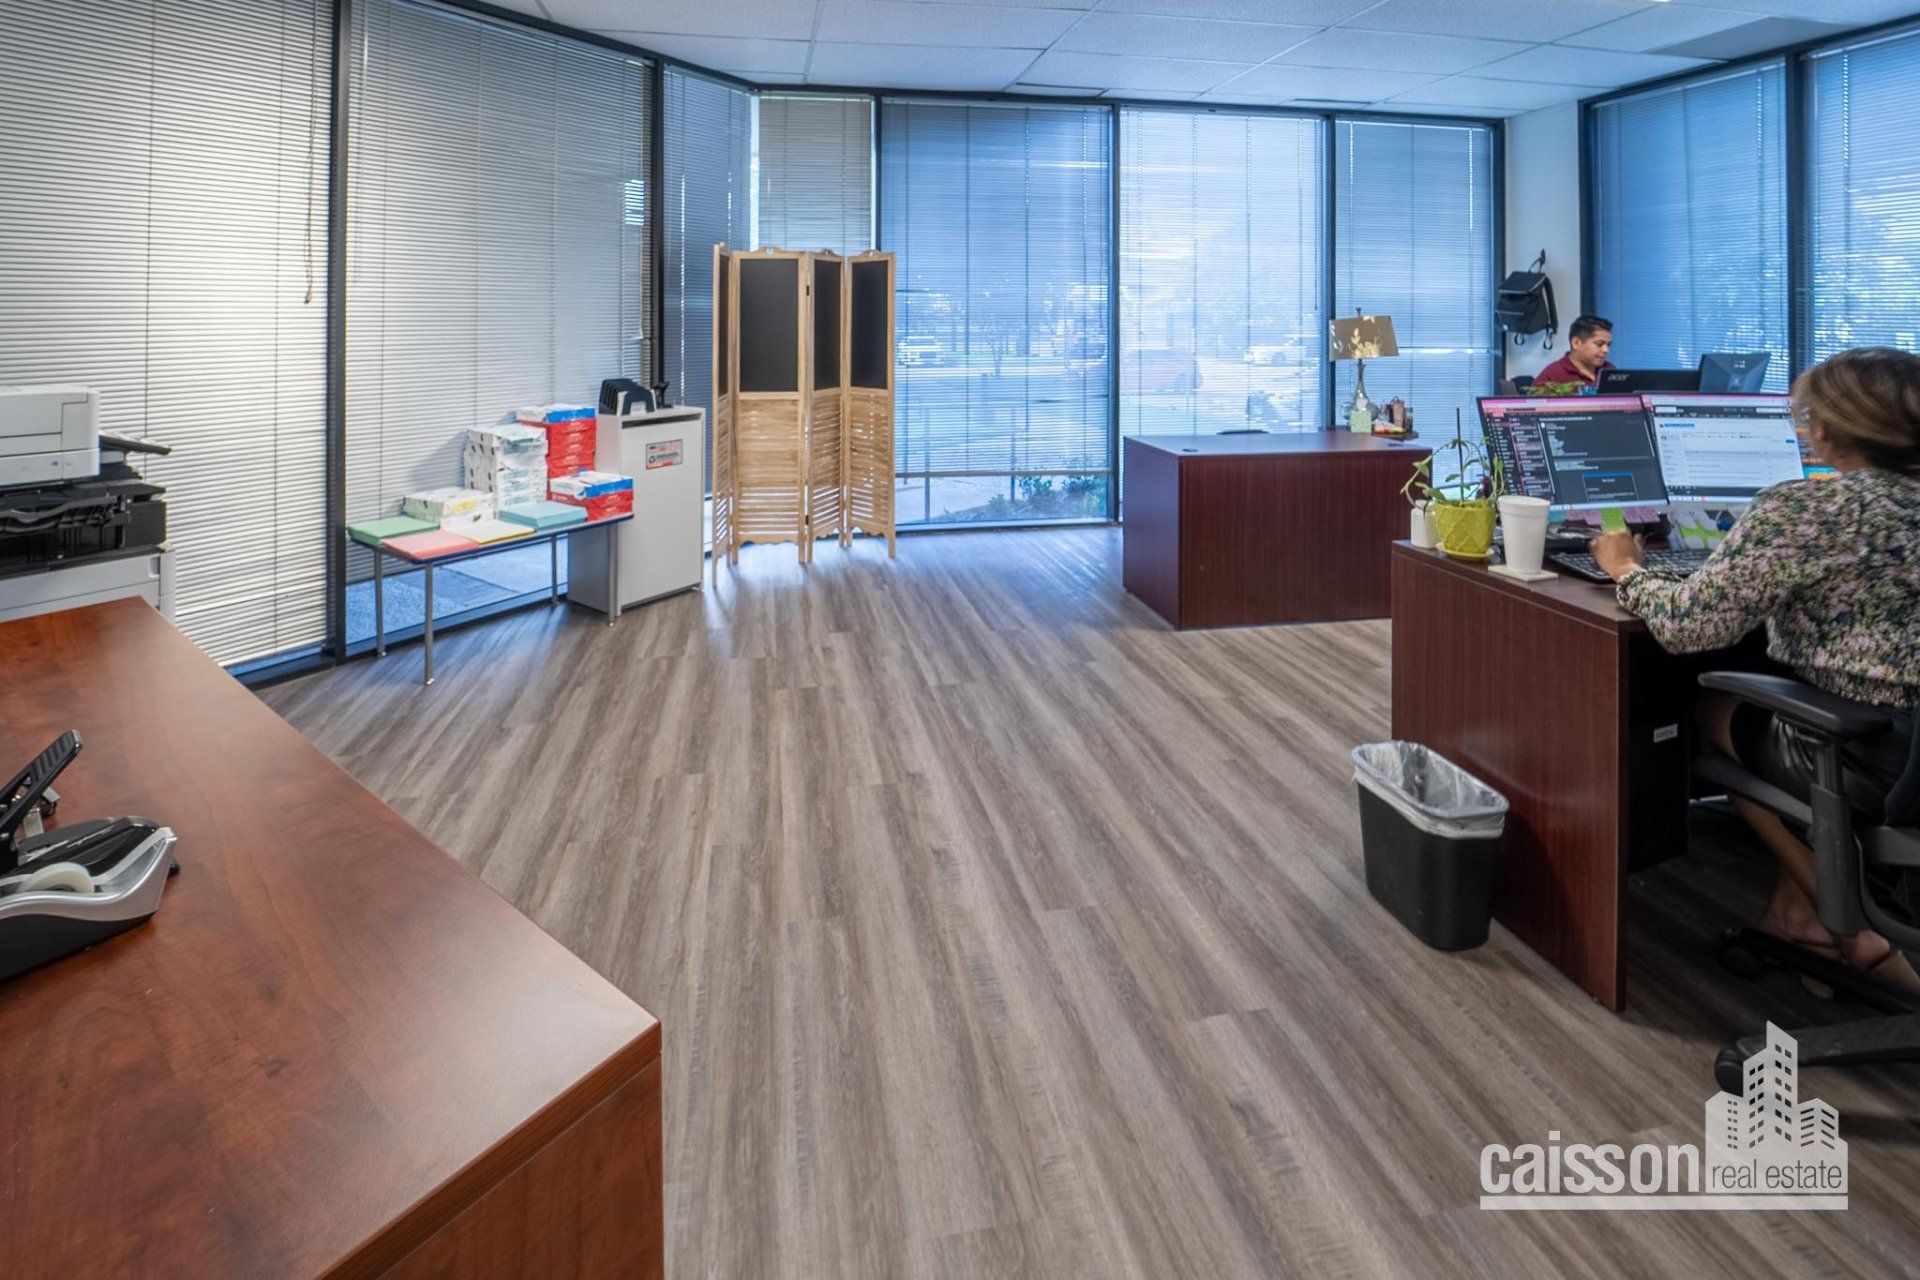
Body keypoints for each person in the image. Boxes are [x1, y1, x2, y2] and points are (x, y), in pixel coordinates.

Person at [1592, 347, 1920, 989]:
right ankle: (1793, 916)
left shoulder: (1810, 510)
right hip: (1908, 746)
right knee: (1798, 700)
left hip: (1882, 759)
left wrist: (1626, 569)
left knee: (1710, 709)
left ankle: (1849, 928)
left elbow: (1689, 626)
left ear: (1827, 431)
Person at [1534, 315, 1615, 391]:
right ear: (1576, 343)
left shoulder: (1609, 370)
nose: (1606, 350)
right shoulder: (1552, 376)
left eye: (1608, 345)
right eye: (1599, 344)